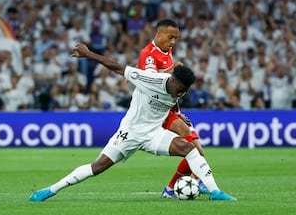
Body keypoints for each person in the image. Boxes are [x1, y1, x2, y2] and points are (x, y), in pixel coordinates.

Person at [29, 43, 236, 202]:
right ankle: (50, 190)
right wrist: (88, 54)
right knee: (98, 167)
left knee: (189, 148)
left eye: (184, 90)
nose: (181, 93)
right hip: (130, 133)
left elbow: (172, 102)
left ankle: (215, 191)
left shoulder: (179, 89)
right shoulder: (149, 79)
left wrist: (178, 113)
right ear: (171, 80)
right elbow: (117, 67)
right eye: (180, 89)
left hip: (154, 134)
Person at [137, 18, 208, 198]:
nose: (173, 42)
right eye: (170, 38)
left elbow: (172, 87)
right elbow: (152, 81)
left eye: (175, 38)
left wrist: (177, 112)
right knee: (195, 148)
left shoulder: (167, 51)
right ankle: (197, 182)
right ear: (159, 34)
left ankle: (173, 188)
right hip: (153, 109)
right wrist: (175, 70)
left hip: (168, 108)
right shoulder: (149, 55)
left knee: (198, 149)